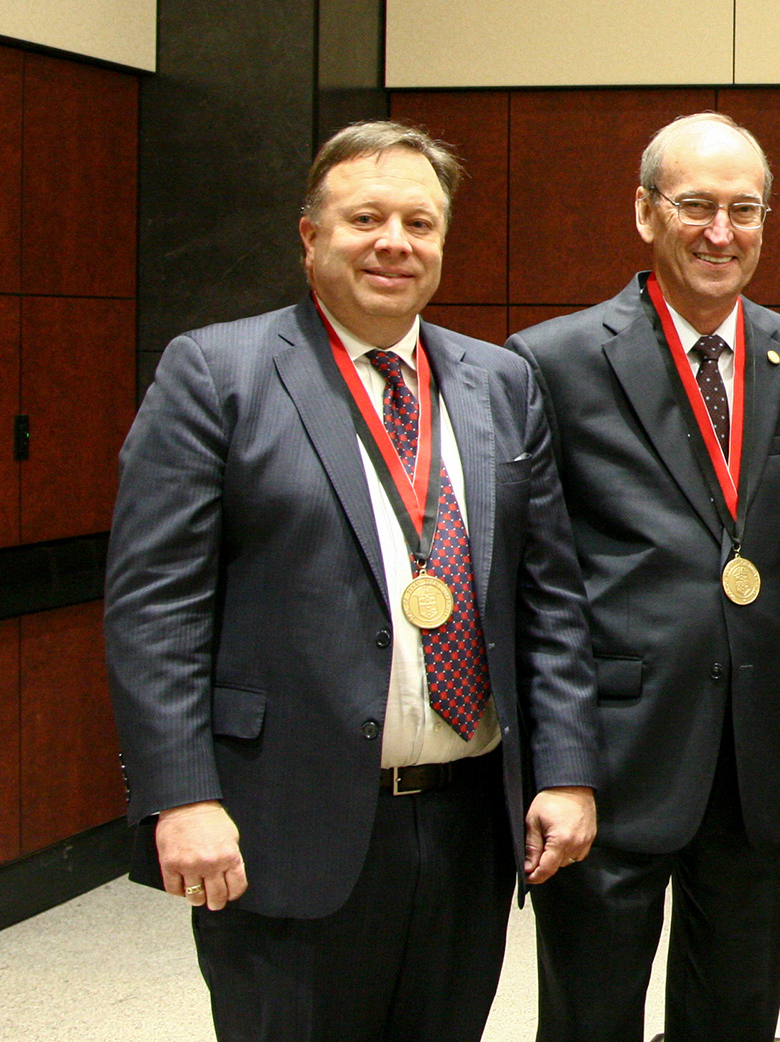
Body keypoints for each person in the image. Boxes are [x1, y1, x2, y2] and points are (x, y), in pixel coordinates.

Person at [106, 120, 600, 1042]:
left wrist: (567, 769)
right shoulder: (218, 373)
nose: (393, 243)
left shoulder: (500, 383)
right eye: (365, 217)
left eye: (419, 222)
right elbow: (155, 610)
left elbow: (550, 599)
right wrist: (182, 795)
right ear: (310, 235)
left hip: (467, 825)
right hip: (280, 821)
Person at [507, 111, 780, 1042]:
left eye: (744, 210)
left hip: (762, 765)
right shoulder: (550, 362)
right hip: (611, 762)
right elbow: (533, 589)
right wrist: (556, 767)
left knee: (737, 1018)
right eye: (697, 206)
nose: (722, 232)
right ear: (644, 212)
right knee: (589, 1018)